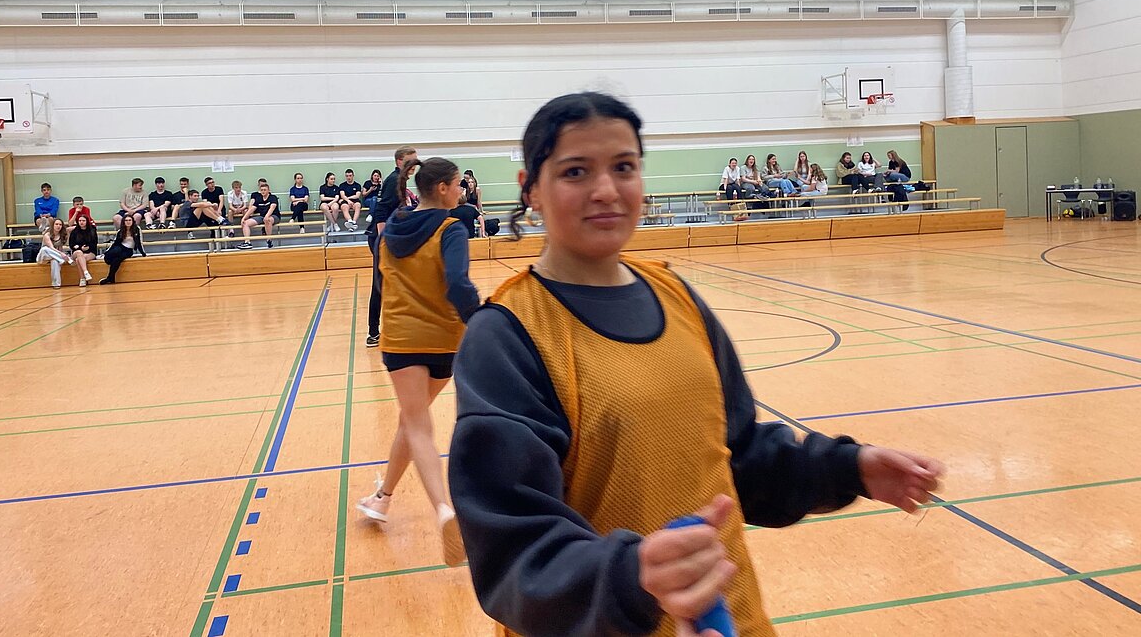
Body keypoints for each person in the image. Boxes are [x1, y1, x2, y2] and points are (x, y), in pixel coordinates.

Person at [447, 92, 945, 637]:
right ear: (531, 190)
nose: (606, 189)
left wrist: (847, 468)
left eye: (624, 167)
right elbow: (514, 544)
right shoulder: (506, 335)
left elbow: (737, 455)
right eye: (575, 171)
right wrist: (632, 576)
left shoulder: (676, 295)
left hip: (731, 621)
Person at [354, 156, 479, 568]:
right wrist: (479, 320)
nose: (461, 190)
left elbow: (380, 280)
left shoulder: (391, 229)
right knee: (412, 421)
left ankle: (443, 509)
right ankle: (383, 497)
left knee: (416, 424)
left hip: (402, 340)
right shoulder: (451, 228)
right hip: (444, 341)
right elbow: (458, 284)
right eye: (457, 184)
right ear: (442, 188)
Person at [366, 146, 419, 349]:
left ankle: (399, 327)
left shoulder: (400, 180)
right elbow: (380, 211)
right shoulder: (394, 180)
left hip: (391, 237)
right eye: (410, 161)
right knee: (380, 285)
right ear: (399, 162)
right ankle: (373, 332)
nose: (414, 164)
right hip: (382, 238)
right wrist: (383, 242)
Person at [100, 216, 145, 285]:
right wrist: (107, 252)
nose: (128, 222)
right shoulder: (120, 231)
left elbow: (139, 242)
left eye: (130, 220)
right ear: (123, 222)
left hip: (128, 250)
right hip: (120, 247)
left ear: (132, 221)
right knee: (115, 251)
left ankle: (110, 278)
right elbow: (115, 243)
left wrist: (143, 253)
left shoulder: (137, 229)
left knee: (117, 260)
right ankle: (111, 277)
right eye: (126, 220)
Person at [239, 183, 280, 249]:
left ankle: (269, 240)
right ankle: (247, 242)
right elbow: (252, 209)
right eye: (262, 190)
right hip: (262, 217)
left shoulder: (273, 197)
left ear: (268, 190)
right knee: (245, 223)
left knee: (268, 220)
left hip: (274, 216)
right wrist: (244, 218)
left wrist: (267, 216)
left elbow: (272, 207)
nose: (263, 191)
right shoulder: (258, 198)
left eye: (265, 190)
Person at [36, 217, 73, 289]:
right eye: (56, 224)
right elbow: (51, 248)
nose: (58, 226)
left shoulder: (62, 236)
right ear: (53, 225)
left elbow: (60, 248)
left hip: (54, 257)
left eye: (60, 224)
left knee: (55, 261)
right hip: (43, 257)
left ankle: (56, 284)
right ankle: (63, 259)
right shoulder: (47, 235)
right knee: (45, 249)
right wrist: (62, 255)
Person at [68, 213, 99, 287]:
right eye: (80, 221)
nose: (81, 222)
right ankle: (86, 272)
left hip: (90, 252)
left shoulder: (92, 230)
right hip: (77, 252)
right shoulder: (75, 231)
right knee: (79, 253)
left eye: (83, 221)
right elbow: (71, 245)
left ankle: (82, 279)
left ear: (87, 221)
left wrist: (87, 247)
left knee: (78, 260)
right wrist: (80, 248)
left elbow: (95, 243)